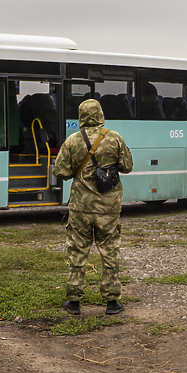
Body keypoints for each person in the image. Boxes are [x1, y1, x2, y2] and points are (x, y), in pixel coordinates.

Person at [52, 99, 133, 315]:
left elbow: (59, 171)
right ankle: (112, 302)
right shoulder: (114, 138)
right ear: (100, 114)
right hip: (108, 207)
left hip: (81, 207)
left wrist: (78, 172)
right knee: (109, 251)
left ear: (81, 116)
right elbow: (127, 166)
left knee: (78, 251)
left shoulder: (72, 141)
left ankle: (74, 302)